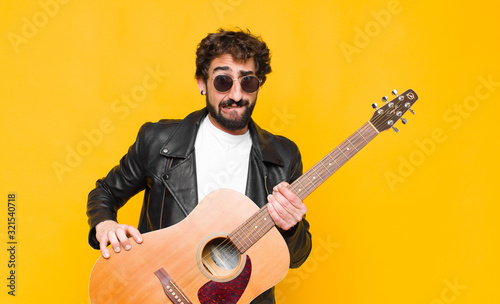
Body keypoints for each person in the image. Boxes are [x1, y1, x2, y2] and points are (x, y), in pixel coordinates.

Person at [87, 28, 312, 304]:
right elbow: (105, 192)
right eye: (222, 81)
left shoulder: (283, 156)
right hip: (156, 291)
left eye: (248, 82)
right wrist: (105, 223)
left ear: (259, 84)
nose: (237, 94)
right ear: (202, 83)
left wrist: (290, 227)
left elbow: (297, 257)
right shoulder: (158, 141)